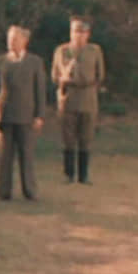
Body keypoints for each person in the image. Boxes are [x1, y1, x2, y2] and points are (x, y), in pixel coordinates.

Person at [0, 25, 47, 201]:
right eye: (9, 38)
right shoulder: (0, 61)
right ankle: (4, 191)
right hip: (5, 114)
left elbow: (40, 90)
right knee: (4, 156)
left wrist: (39, 115)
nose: (11, 42)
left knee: (26, 155)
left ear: (25, 41)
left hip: (26, 115)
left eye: (15, 39)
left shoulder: (35, 62)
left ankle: (29, 190)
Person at [51, 16, 106, 184]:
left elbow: (100, 75)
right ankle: (68, 174)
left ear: (88, 34)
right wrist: (63, 79)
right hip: (68, 98)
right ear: (70, 32)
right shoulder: (61, 51)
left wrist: (88, 83)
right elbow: (54, 75)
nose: (78, 35)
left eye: (82, 32)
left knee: (86, 138)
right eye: (75, 31)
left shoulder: (95, 51)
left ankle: (83, 175)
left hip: (88, 98)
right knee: (68, 138)